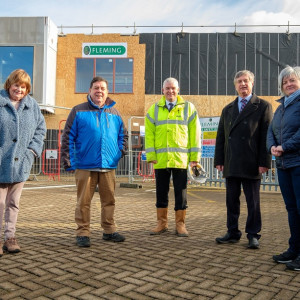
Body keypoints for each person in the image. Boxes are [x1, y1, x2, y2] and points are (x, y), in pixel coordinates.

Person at [61, 76, 127, 247]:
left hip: (108, 166)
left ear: (107, 92)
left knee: (109, 200)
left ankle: (109, 230)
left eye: (103, 88)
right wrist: (69, 160)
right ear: (89, 91)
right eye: (96, 88)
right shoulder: (78, 111)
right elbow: (68, 136)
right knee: (83, 201)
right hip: (84, 165)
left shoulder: (115, 113)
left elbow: (123, 135)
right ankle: (83, 232)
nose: (99, 91)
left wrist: (119, 153)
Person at [214, 70, 272, 249]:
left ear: (252, 83)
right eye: (239, 81)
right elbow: (221, 136)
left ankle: (253, 234)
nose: (243, 84)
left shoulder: (262, 106)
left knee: (253, 201)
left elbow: (266, 135)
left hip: (252, 161)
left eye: (246, 81)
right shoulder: (228, 109)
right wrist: (219, 159)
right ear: (235, 85)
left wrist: (264, 162)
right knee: (231, 200)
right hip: (231, 162)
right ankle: (232, 232)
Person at [145, 77, 201, 237]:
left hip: (180, 159)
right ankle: (161, 223)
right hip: (161, 159)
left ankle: (180, 224)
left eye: (173, 88)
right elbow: (149, 134)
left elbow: (195, 134)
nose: (170, 91)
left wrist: (194, 157)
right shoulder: (154, 109)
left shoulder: (188, 108)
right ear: (162, 91)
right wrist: (151, 155)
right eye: (167, 88)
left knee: (181, 193)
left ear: (178, 90)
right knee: (161, 192)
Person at [0, 69, 46, 255]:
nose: (19, 89)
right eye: (16, 85)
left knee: (13, 203)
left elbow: (40, 129)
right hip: (1, 162)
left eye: (23, 86)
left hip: (21, 163)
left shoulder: (32, 106)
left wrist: (32, 151)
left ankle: (10, 238)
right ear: (9, 84)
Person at [267, 66, 300, 271]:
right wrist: (271, 146)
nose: (288, 84)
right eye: (285, 82)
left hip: (297, 162)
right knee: (291, 209)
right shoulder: (281, 108)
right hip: (283, 164)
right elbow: (271, 130)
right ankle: (294, 248)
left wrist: (284, 147)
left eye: (292, 80)